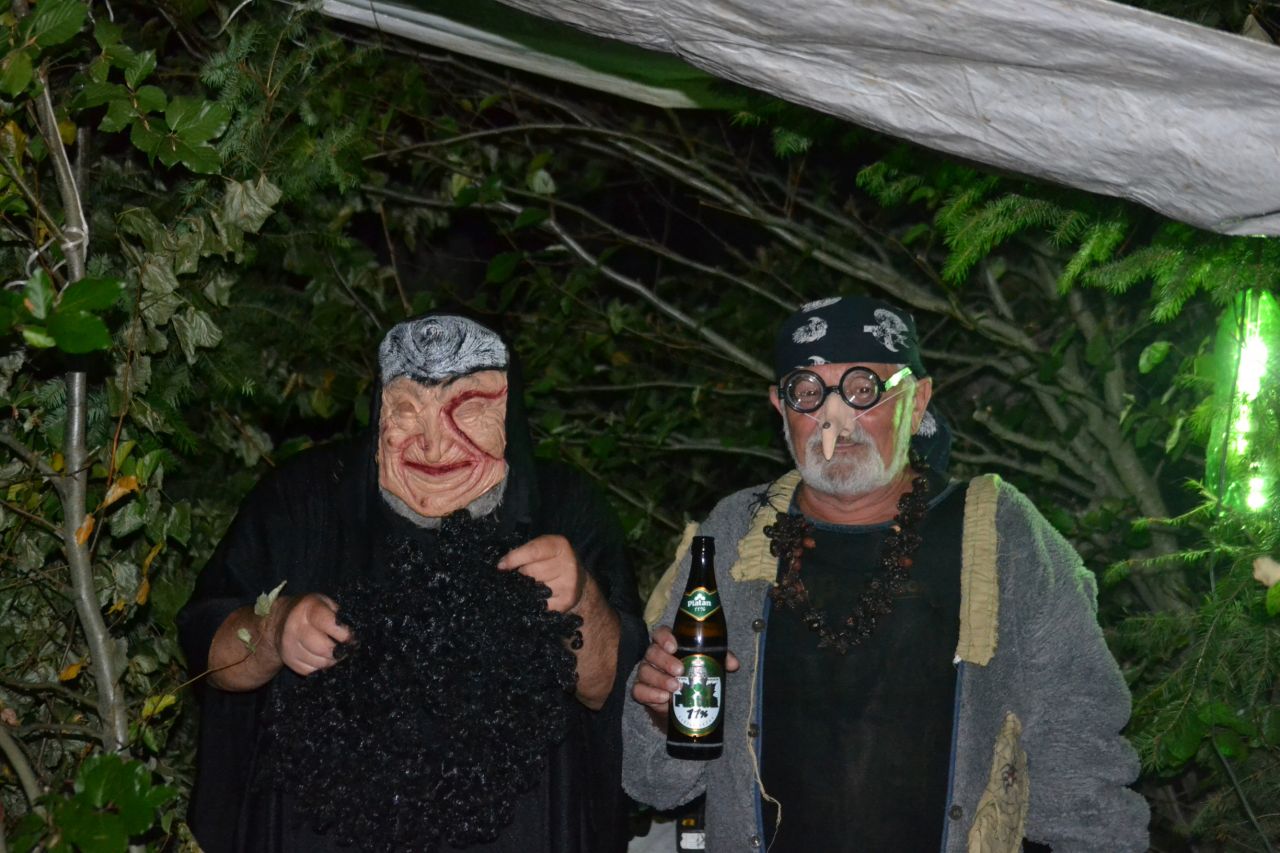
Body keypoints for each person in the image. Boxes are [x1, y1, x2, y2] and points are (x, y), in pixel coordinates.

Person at [622, 296, 1149, 852]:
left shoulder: (998, 532)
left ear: (916, 401)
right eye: (808, 392)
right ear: (781, 407)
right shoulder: (734, 533)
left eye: (862, 389)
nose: (835, 417)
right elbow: (651, 782)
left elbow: (1080, 752)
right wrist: (659, 713)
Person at [178, 313, 645, 853]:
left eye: (467, 410)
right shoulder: (302, 502)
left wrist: (580, 600)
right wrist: (274, 628)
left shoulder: (564, 508)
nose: (434, 444)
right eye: (406, 410)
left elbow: (620, 694)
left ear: (508, 411)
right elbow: (207, 651)